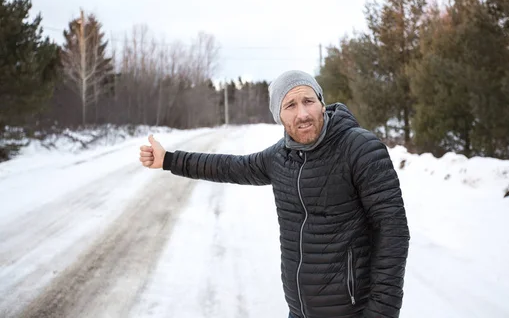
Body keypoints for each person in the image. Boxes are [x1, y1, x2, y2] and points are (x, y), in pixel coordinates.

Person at [139, 70, 410, 318]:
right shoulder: (281, 157)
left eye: (309, 101)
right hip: (300, 310)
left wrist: (381, 313)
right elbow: (230, 167)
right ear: (278, 115)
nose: (302, 113)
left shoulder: (359, 148)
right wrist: (169, 160)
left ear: (322, 103)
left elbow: (393, 231)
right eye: (290, 105)